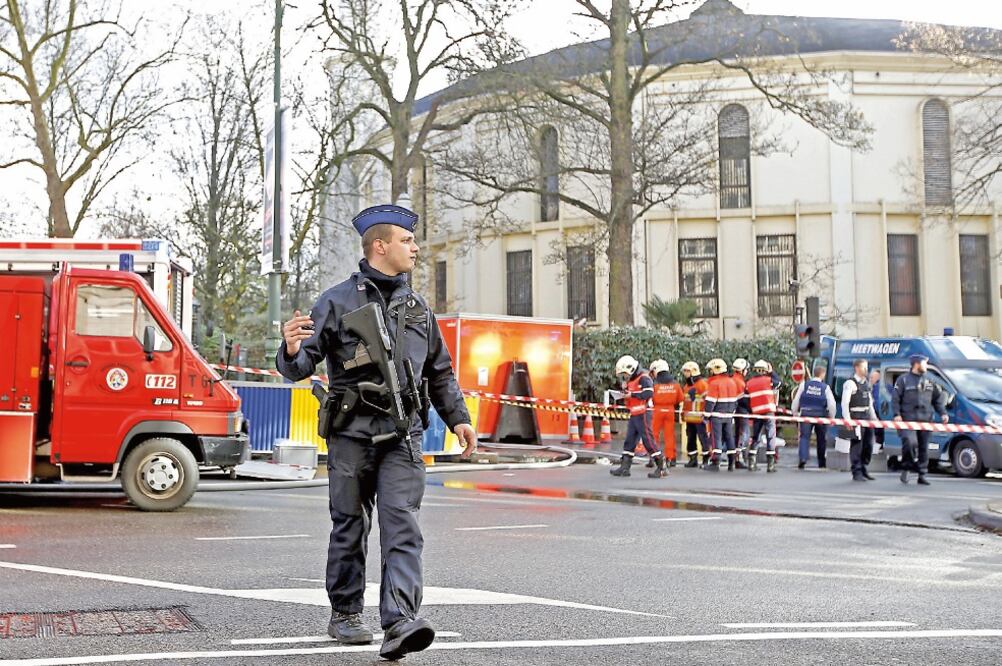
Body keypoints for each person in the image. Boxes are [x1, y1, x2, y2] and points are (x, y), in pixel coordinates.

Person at [276, 203, 477, 661]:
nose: (416, 248)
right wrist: (289, 350)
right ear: (380, 246)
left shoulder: (418, 307)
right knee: (350, 525)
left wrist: (458, 419)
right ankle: (345, 612)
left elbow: (440, 373)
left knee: (402, 525)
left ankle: (400, 622)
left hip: (403, 435)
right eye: (408, 241)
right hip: (350, 434)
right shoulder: (335, 301)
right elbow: (300, 365)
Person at [893, 354, 949, 486]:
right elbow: (895, 399)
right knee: (910, 442)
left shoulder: (929, 381)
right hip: (908, 420)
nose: (926, 366)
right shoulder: (903, 380)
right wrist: (896, 414)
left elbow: (937, 400)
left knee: (924, 448)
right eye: (925, 363)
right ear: (917, 364)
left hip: (926, 420)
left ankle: (922, 474)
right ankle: (907, 467)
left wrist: (943, 413)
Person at [610, 355, 667, 478]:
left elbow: (648, 393)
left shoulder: (644, 378)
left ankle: (661, 466)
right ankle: (625, 467)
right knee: (629, 441)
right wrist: (624, 394)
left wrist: (631, 395)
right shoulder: (631, 381)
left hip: (644, 413)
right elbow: (632, 397)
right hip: (635, 413)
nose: (624, 377)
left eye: (625, 374)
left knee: (648, 440)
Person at [792, 365, 837, 470]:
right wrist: (832, 417)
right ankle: (821, 462)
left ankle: (803, 459)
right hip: (820, 415)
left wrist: (794, 413)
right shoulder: (825, 387)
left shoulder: (804, 385)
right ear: (823, 374)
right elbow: (831, 405)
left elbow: (796, 400)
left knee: (804, 437)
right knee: (821, 439)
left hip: (806, 414)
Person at [840, 358, 877, 482]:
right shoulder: (850, 383)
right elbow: (845, 403)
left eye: (867, 367)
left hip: (867, 417)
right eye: (863, 367)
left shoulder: (866, 383)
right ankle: (856, 471)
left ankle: (864, 467)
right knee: (857, 446)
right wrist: (847, 420)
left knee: (869, 445)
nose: (866, 370)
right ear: (856, 368)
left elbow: (869, 402)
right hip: (856, 417)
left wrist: (874, 418)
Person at [704, 358, 740, 471]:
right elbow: (735, 401)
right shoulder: (732, 382)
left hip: (717, 414)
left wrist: (706, 415)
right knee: (730, 438)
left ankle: (715, 462)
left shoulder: (714, 383)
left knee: (716, 438)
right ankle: (731, 462)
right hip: (729, 415)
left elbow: (710, 402)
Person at [746, 360, 781, 472]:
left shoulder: (749, 383)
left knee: (756, 437)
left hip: (756, 412)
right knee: (771, 436)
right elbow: (779, 383)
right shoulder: (769, 380)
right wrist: (772, 372)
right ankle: (770, 465)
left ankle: (751, 463)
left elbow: (746, 399)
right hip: (768, 412)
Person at [650, 359, 683, 467]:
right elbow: (680, 398)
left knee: (654, 434)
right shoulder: (675, 384)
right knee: (670, 435)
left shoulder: (654, 384)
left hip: (657, 410)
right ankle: (671, 458)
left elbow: (650, 399)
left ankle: (654, 457)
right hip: (670, 410)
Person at [681, 361, 711, 467]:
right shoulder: (686, 386)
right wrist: (682, 414)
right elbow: (685, 402)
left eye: (687, 371)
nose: (685, 373)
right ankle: (693, 459)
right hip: (690, 418)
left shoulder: (702, 384)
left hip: (700, 418)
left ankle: (706, 459)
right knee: (691, 438)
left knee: (703, 439)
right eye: (684, 371)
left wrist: (706, 415)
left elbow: (708, 400)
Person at [731, 358, 750, 469]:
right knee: (744, 434)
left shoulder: (733, 379)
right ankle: (739, 458)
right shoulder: (740, 382)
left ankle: (735, 457)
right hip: (741, 411)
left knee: (737, 434)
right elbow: (743, 399)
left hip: (733, 411)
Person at [869, 369, 886, 449]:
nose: (870, 379)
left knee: (877, 430)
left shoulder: (877, 387)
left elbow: (876, 402)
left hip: (878, 413)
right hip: (884, 413)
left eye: (872, 377)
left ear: (878, 377)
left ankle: (878, 445)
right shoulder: (885, 385)